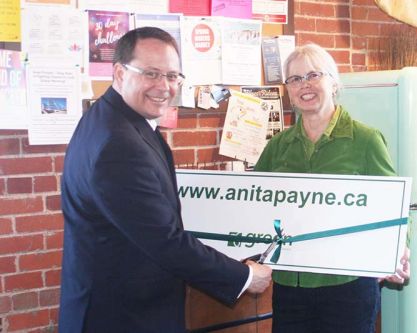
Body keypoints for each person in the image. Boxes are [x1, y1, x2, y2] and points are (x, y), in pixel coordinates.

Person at [59, 27, 272, 333]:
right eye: (151, 73)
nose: (164, 86)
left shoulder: (114, 118)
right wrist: (244, 277)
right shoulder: (118, 144)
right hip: (121, 317)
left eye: (173, 76)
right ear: (119, 73)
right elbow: (165, 241)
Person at [254, 43, 410, 333]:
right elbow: (253, 203)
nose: (305, 85)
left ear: (334, 83)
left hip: (348, 285)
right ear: (288, 89)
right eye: (295, 79)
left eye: (314, 75)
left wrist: (398, 251)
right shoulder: (278, 146)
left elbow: (393, 207)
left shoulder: (365, 140)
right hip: (292, 285)